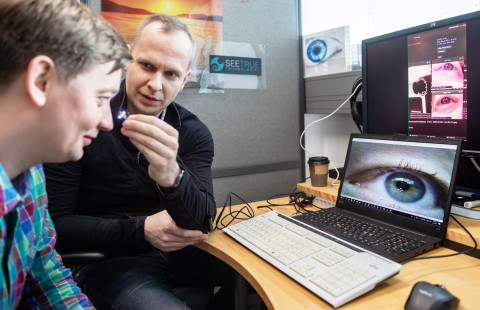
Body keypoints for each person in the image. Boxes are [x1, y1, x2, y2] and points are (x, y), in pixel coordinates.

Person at [44, 14, 233, 310]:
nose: (155, 85)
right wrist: (140, 229)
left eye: (170, 74)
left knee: (275, 277)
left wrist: (172, 176)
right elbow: (55, 224)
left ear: (184, 80)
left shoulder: (193, 132)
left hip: (180, 251)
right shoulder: (85, 121)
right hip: (112, 258)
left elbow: (203, 221)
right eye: (147, 65)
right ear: (127, 60)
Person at [0, 0, 131, 308]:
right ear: (41, 80)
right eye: (100, 98)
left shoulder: (31, 175)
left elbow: (45, 277)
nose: (107, 122)